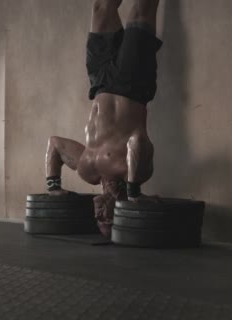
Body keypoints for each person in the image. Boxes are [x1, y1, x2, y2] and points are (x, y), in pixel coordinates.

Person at [45, 0, 162, 236]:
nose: (100, 215)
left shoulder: (87, 171)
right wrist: (134, 193)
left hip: (99, 82)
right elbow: (138, 140)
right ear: (121, 213)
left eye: (99, 220)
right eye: (108, 221)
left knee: (100, 7)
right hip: (133, 83)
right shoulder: (133, 172)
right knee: (142, 8)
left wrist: (53, 187)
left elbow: (55, 144)